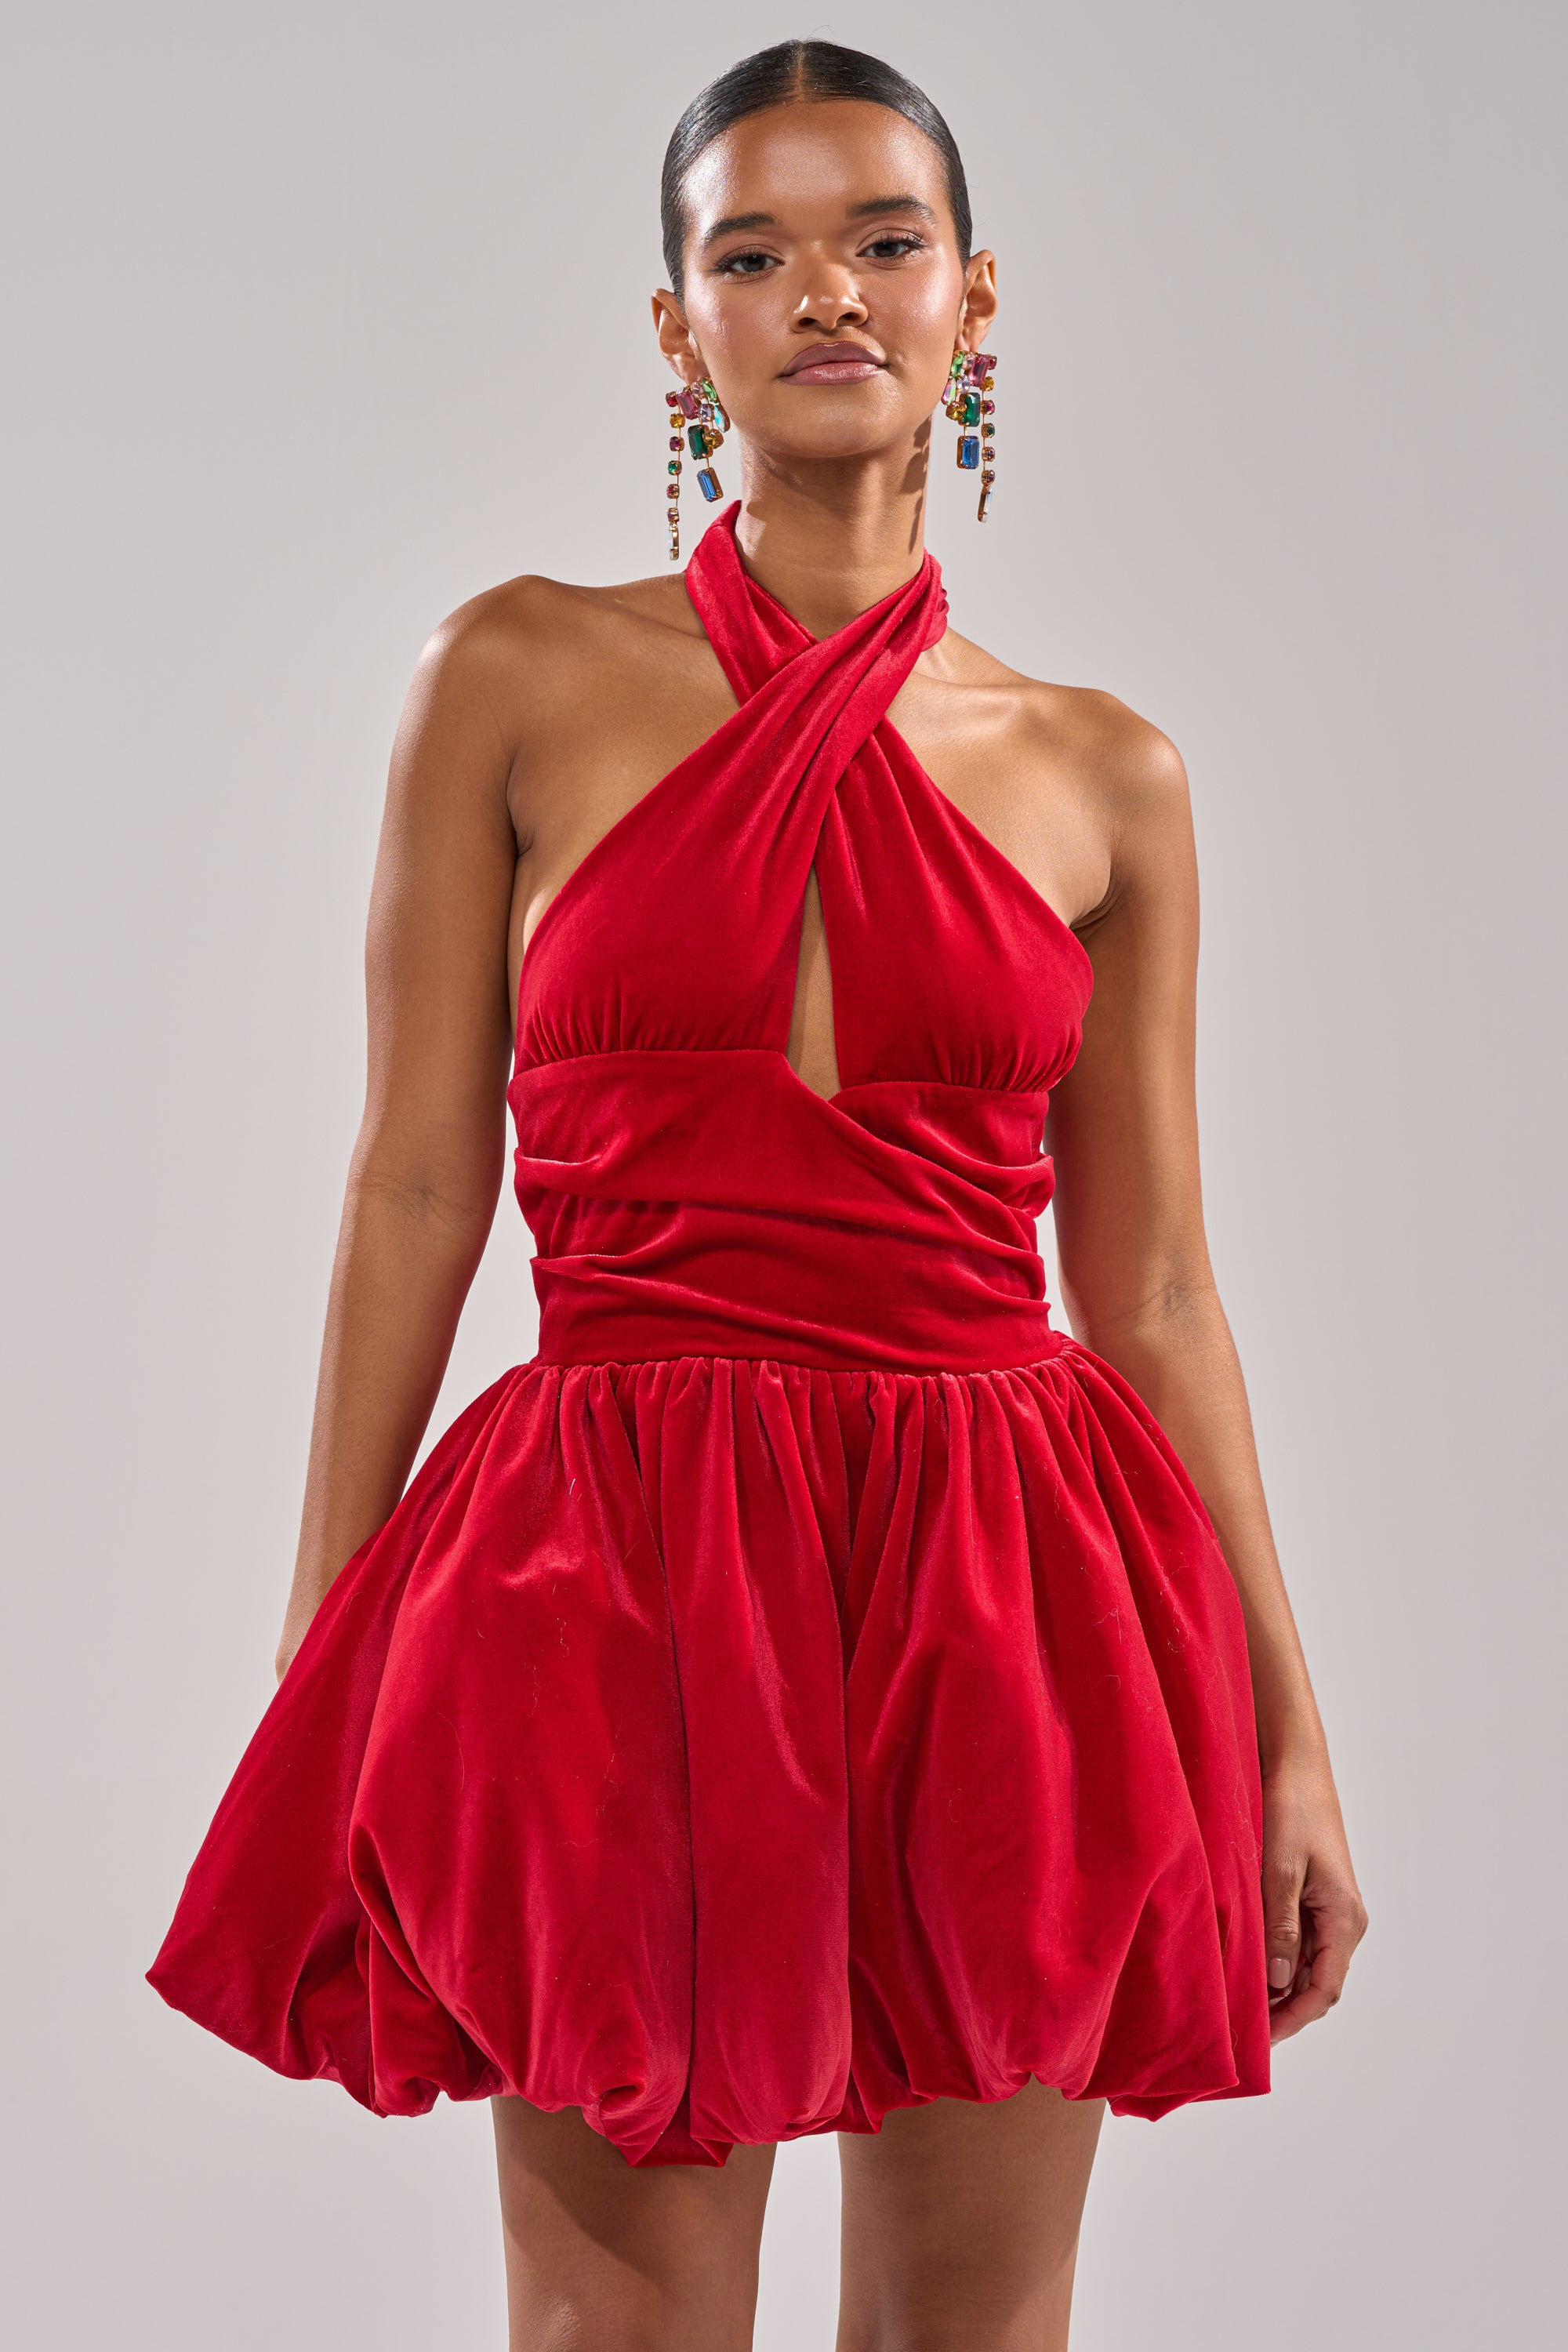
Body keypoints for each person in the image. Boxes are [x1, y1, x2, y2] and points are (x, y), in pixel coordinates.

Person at [148, 38, 1367, 2352]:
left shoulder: (1106, 770)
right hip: (610, 1559)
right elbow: (415, 1185)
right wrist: (332, 1641)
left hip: (1006, 1578)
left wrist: (1289, 1728)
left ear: (975, 299)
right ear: (675, 321)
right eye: (754, 250)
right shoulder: (516, 671)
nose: (827, 291)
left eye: (886, 241)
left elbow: (1155, 1289)